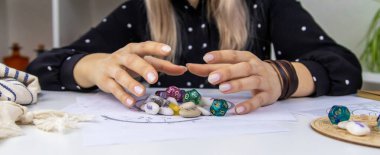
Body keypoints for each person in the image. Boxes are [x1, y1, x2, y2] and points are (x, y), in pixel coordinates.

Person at [27, 0, 362, 115]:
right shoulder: (139, 9)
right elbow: (42, 67)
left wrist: (281, 77)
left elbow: (344, 67)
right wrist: (97, 67)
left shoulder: (265, 4)